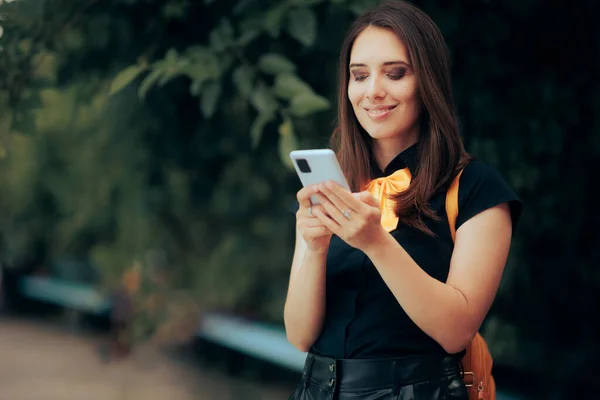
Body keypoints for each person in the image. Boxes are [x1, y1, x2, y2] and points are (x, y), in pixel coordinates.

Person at [284, 1, 523, 399]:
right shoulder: (334, 188)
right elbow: (299, 335)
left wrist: (376, 243)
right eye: (359, 76)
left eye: (395, 74)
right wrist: (313, 248)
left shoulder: (476, 187)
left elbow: (456, 331)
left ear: (427, 81)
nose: (373, 91)